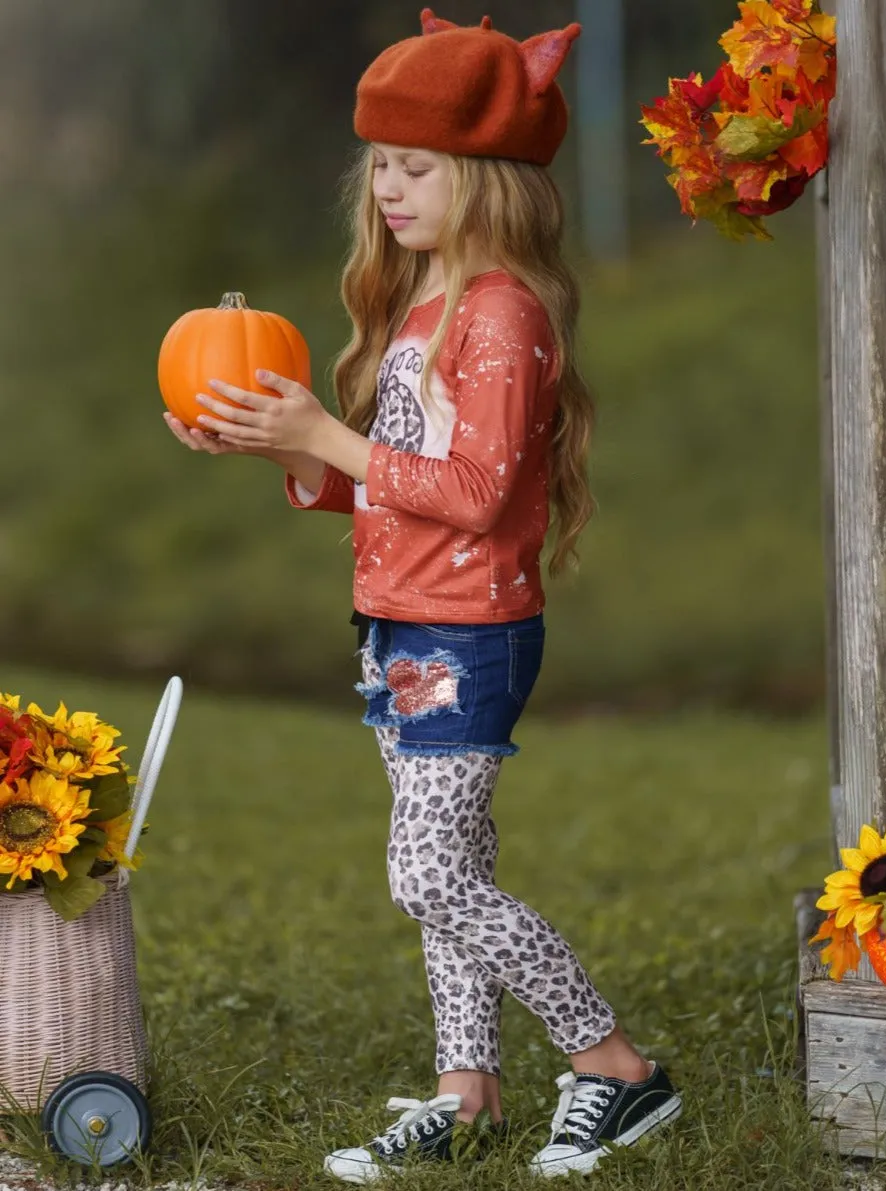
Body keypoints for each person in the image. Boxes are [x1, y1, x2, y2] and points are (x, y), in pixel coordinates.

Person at [164, 7, 681, 1181]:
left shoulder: (499, 316)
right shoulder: (421, 309)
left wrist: (325, 436)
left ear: (487, 179)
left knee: (429, 877)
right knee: (450, 880)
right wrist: (286, 449)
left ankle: (615, 1068)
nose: (387, 190)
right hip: (402, 628)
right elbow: (389, 491)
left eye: (414, 167)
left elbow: (479, 491)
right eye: (379, 167)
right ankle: (469, 1090)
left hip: (468, 636)